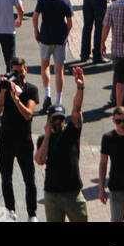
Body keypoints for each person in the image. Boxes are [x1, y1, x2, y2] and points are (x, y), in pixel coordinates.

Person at [35, 68, 87, 223]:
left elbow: (77, 109)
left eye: (60, 119)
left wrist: (80, 87)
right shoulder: (44, 139)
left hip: (73, 193)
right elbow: (39, 160)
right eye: (54, 119)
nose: (58, 122)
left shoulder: (71, 132)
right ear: (49, 119)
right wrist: (48, 136)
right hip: (52, 195)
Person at [33, 0, 74, 114]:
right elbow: (70, 23)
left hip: (45, 37)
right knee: (59, 70)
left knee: (45, 66)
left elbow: (35, 16)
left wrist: (36, 31)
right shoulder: (65, 2)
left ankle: (47, 95)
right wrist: (65, 34)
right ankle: (58, 100)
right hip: (59, 39)